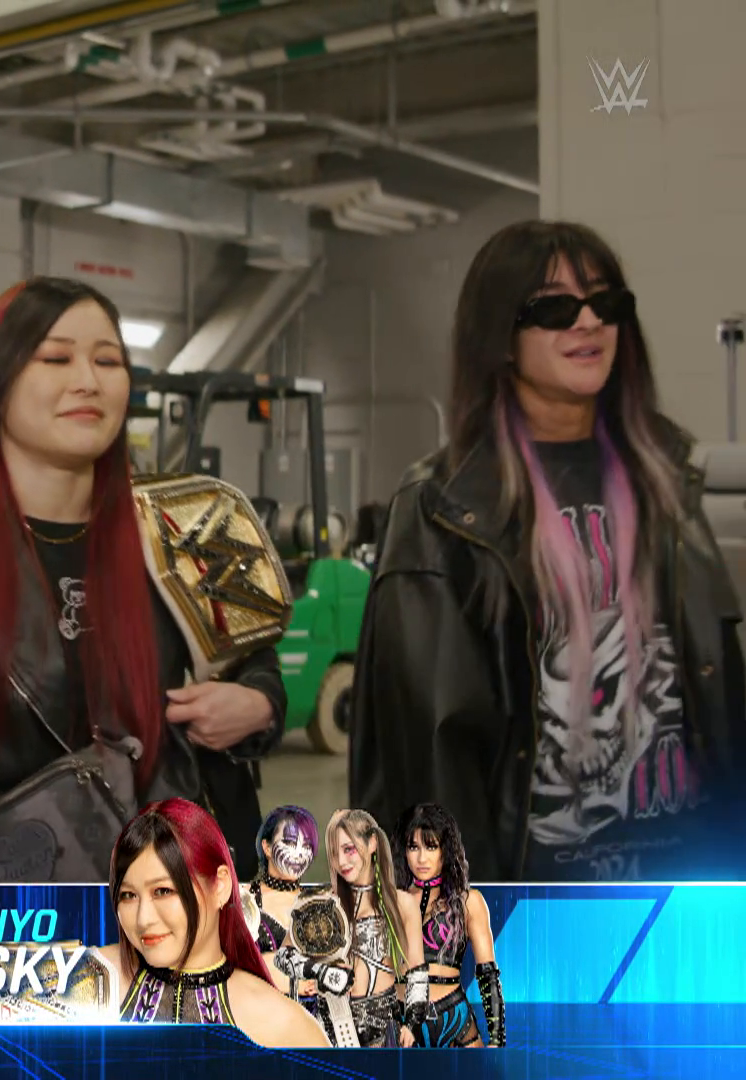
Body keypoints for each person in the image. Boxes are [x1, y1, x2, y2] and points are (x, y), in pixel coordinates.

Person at [0, 276, 286, 882]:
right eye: (56, 358)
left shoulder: (178, 527)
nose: (88, 381)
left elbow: (254, 662)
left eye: (108, 361)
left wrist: (259, 705)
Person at [352, 219, 745, 883]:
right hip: (536, 888)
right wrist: (464, 912)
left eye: (605, 302)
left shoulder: (669, 479)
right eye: (555, 308)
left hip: (693, 871)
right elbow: (430, 750)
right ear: (499, 335)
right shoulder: (444, 507)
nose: (588, 321)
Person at [110, 799, 329, 1047]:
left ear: (220, 886)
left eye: (163, 891)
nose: (143, 919)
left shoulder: (285, 1025)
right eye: (127, 895)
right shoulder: (91, 979)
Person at [397, 803, 503, 1048]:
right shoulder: (393, 901)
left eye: (431, 846)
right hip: (401, 1025)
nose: (421, 858)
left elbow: (488, 975)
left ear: (445, 849)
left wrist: (498, 1040)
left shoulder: (469, 901)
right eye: (414, 847)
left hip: (454, 1022)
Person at [245, 805, 352, 1010]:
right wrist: (293, 982)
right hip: (262, 1013)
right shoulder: (244, 899)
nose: (299, 853)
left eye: (307, 845)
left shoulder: (323, 900)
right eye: (289, 842)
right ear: (267, 847)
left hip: (317, 1017)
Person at [326, 808, 413, 1047]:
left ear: (372, 842)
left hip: (386, 1029)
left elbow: (417, 972)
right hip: (336, 1027)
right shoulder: (326, 904)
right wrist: (317, 973)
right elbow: (286, 957)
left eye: (348, 849)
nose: (341, 862)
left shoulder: (402, 903)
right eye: (334, 853)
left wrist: (412, 1023)